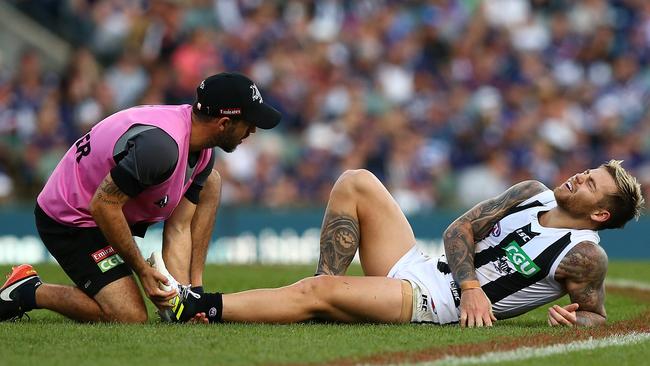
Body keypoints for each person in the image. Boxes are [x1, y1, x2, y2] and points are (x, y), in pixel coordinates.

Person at [172, 160, 642, 327]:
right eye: (589, 171)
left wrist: (574, 320)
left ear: (600, 214)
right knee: (355, 181)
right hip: (427, 268)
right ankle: (329, 291)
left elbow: (596, 316)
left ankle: (196, 306)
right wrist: (475, 283)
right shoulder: (530, 191)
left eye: (592, 184)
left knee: (313, 297)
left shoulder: (584, 255)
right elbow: (457, 229)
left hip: (436, 304)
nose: (581, 176)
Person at [0, 72, 281, 323]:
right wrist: (143, 272)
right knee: (129, 316)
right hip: (71, 220)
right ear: (223, 123)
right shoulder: (161, 148)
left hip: (103, 206)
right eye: (248, 122)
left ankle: (192, 293)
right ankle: (28, 291)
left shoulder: (201, 146)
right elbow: (103, 205)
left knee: (211, 182)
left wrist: (187, 298)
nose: (253, 130)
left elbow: (180, 227)